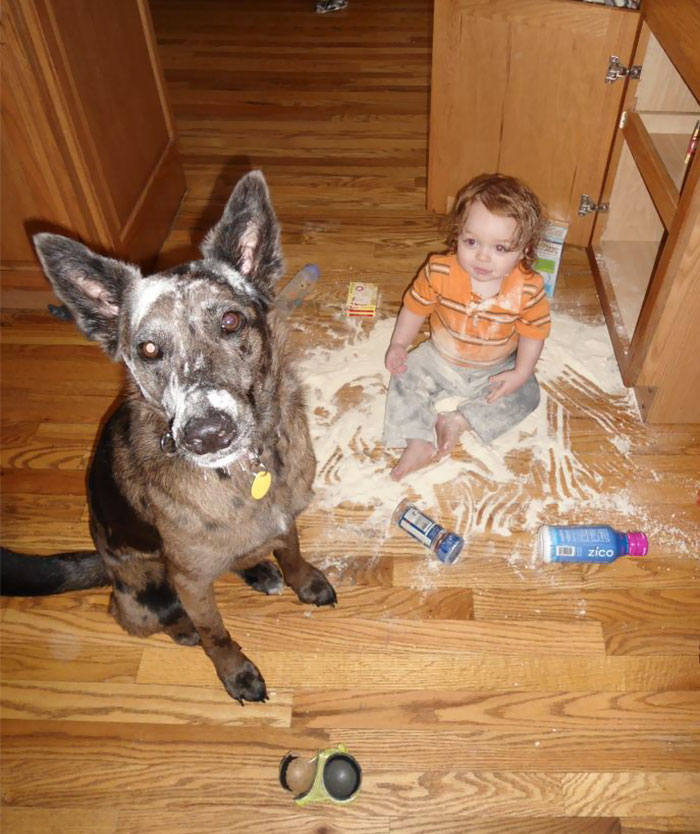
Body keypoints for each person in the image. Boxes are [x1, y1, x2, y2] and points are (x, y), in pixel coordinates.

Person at [383, 173, 551, 481]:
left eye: (501, 248)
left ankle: (459, 420)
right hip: (439, 357)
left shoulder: (528, 288)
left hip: (495, 367)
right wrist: (399, 345)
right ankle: (418, 440)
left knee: (527, 393)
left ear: (525, 250)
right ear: (458, 234)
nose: (483, 257)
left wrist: (520, 372)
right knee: (404, 375)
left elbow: (533, 333)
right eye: (471, 242)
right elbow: (414, 308)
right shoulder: (439, 271)